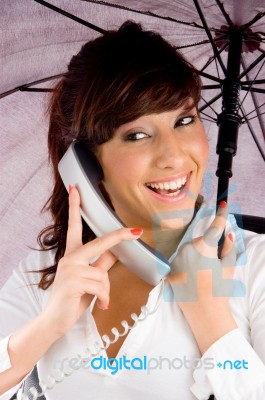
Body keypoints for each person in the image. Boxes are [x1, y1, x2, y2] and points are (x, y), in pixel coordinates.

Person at [0, 21, 265, 400]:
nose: (174, 157)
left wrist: (211, 318)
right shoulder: (55, 269)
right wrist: (47, 326)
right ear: (88, 163)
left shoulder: (255, 267)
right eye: (137, 135)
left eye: (184, 120)